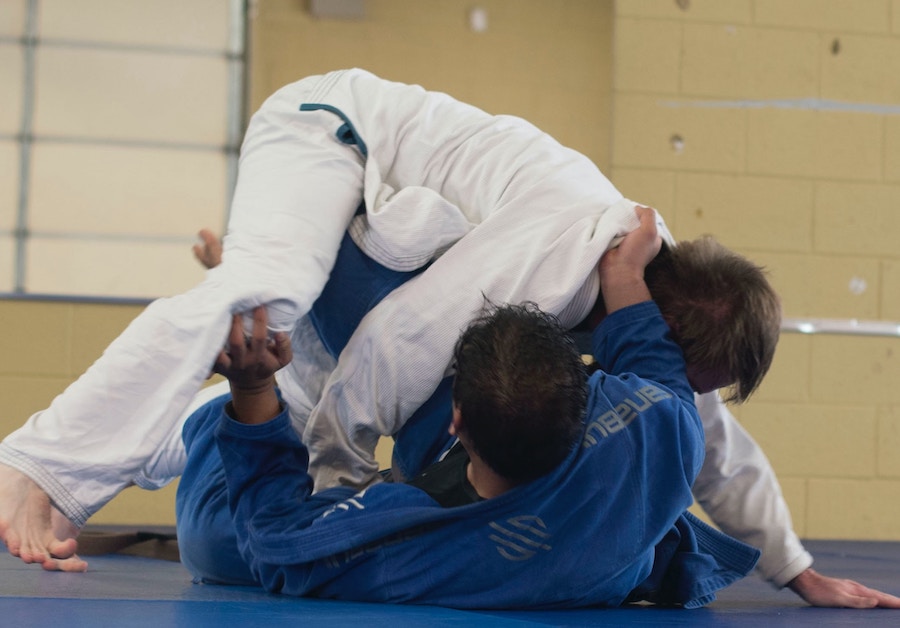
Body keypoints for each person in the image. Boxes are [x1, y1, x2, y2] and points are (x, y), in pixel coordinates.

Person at [0, 68, 897, 608]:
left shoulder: (643, 314)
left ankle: (208, 420)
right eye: (689, 367)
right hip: (330, 136)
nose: (684, 385)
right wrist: (335, 498)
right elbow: (395, 342)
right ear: (660, 324)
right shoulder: (556, 253)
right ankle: (44, 464)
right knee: (265, 296)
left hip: (380, 243)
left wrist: (795, 567)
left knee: (311, 376)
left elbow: (707, 436)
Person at [173, 209, 759, 607]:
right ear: (586, 393)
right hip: (584, 540)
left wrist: (251, 391)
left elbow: (274, 541)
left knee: (216, 544)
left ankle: (210, 418)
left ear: (457, 422)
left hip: (430, 508)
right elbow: (652, 354)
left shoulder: (418, 546)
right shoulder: (661, 427)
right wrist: (628, 275)